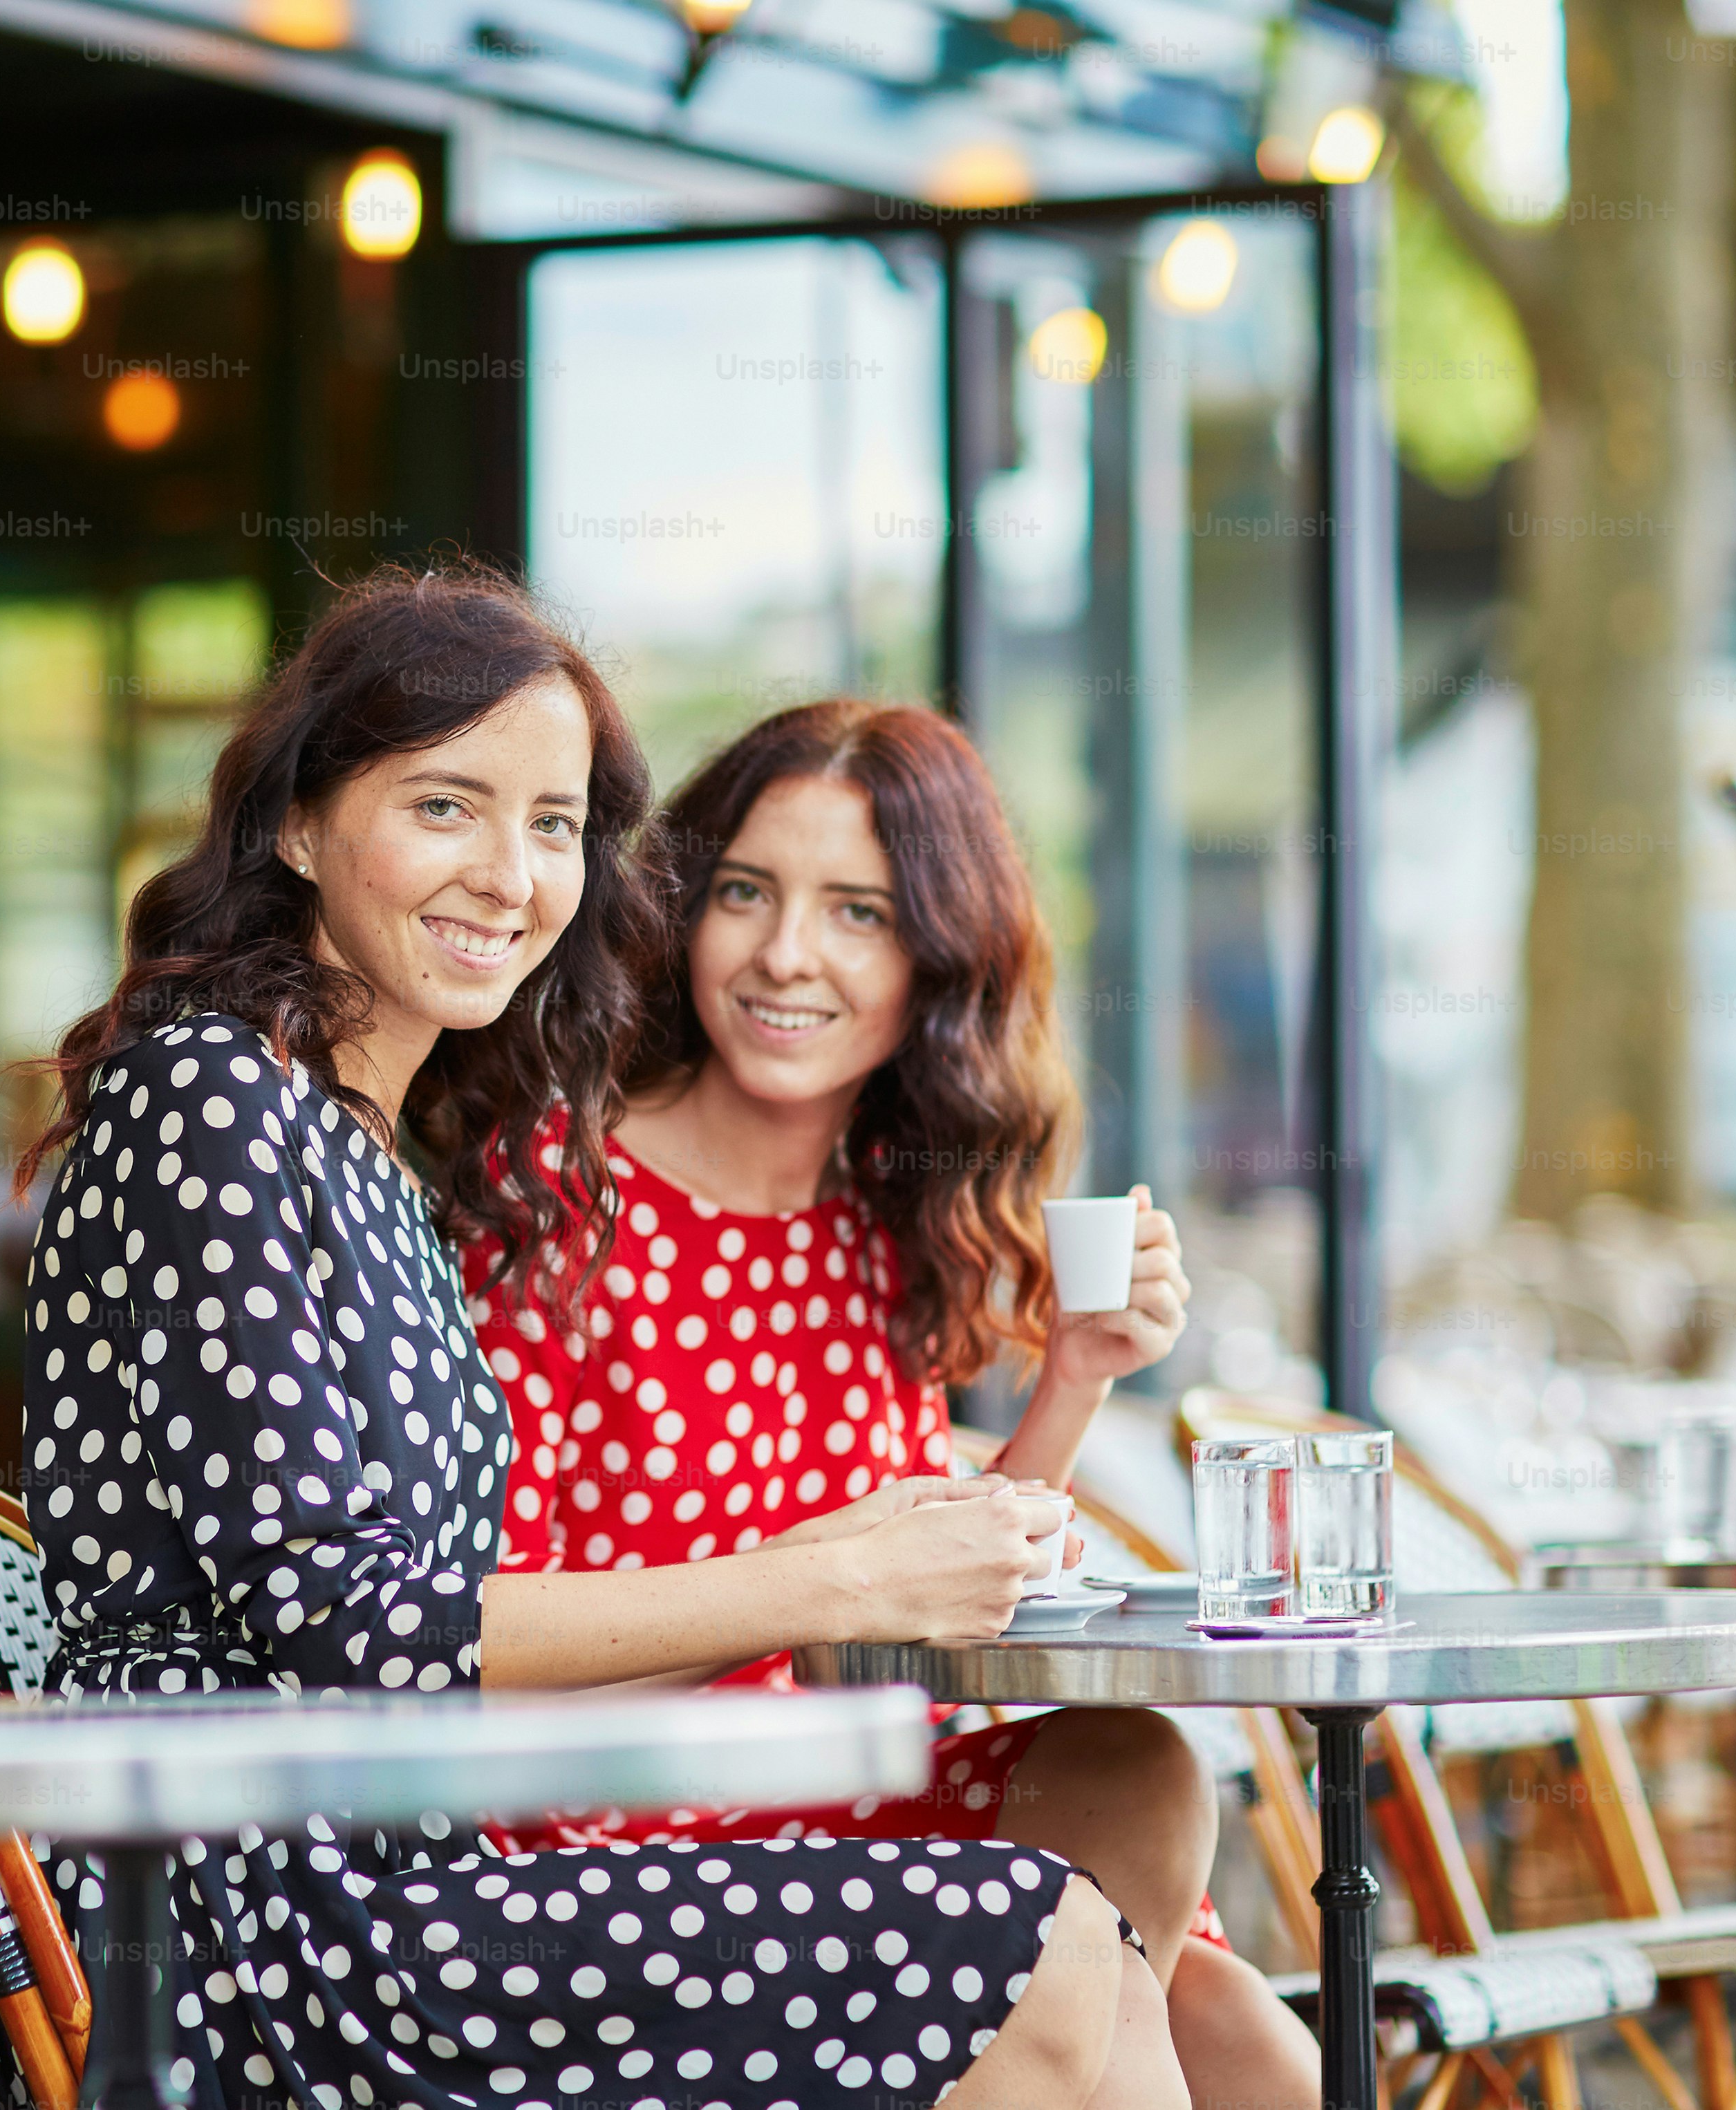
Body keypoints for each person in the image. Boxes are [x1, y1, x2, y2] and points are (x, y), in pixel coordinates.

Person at [20, 565, 1190, 2110]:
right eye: (447, 806)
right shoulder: (208, 1096)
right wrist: (827, 1570)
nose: (510, 873)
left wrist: (921, 1494)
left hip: (397, 1863)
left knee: (1116, 1937)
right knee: (1038, 1946)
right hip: (267, 1919)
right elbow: (346, 1621)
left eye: (555, 824)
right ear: (299, 823)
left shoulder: (361, 1145)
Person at [465, 699, 1318, 2110]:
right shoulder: (564, 1203)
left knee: (1199, 1911)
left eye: (856, 910)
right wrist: (814, 1589)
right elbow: (480, 1642)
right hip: (616, 1837)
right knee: (1183, 2041)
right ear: (684, 913)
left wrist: (1079, 1372)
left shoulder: (877, 1219)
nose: (786, 953)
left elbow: (941, 1569)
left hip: (845, 1781)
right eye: (746, 891)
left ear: (938, 960)